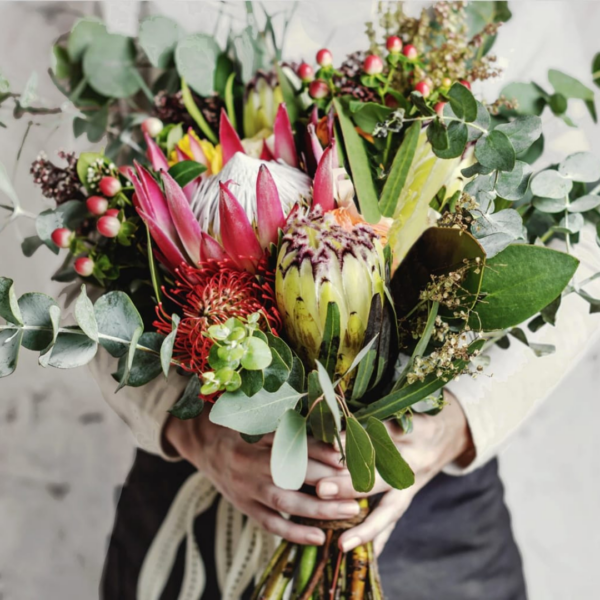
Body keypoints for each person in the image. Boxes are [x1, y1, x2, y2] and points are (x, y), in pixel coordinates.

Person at [90, 223, 600, 600]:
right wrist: (195, 431)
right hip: (201, 482)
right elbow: (87, 269)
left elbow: (586, 246)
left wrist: (455, 422)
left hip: (433, 510)